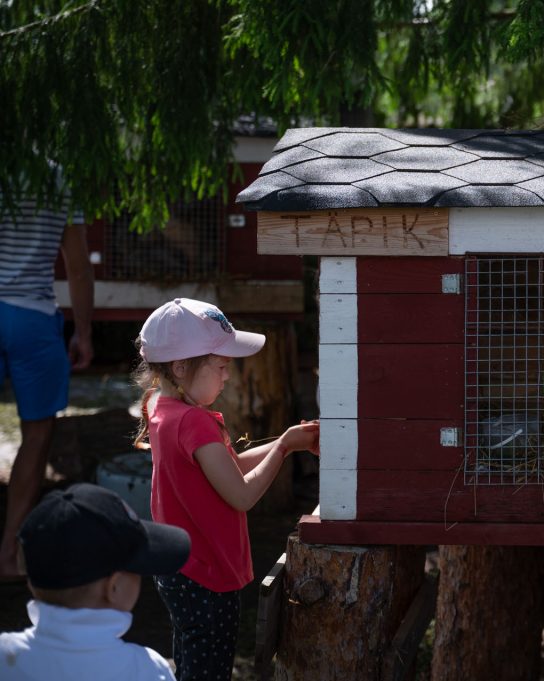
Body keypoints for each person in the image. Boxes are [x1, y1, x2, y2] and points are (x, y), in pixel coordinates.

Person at [133, 297, 319, 681]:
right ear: (181, 367)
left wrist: (289, 440)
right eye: (220, 366)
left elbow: (225, 469)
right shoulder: (195, 423)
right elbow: (242, 494)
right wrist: (283, 448)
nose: (228, 376)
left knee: (191, 665)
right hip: (207, 576)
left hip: (178, 570)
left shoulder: (160, 407)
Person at [0, 482, 191, 680]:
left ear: (31, 583)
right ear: (114, 588)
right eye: (137, 569)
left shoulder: (5, 658)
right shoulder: (146, 669)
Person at [0, 178, 94, 579]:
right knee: (36, 437)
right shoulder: (58, 178)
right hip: (33, 319)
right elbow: (77, 266)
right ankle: (7, 556)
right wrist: (83, 333)